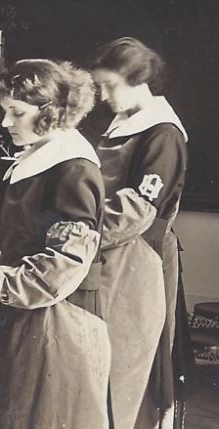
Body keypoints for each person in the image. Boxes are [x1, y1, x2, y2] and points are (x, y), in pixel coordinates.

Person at [0, 59, 111, 428]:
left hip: (60, 319)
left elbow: (64, 265)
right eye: (5, 112)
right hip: (33, 310)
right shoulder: (41, 156)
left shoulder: (74, 169)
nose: (6, 123)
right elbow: (8, 232)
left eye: (16, 113)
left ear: (50, 112)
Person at [91, 37, 189, 429]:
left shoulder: (162, 134)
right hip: (113, 253)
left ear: (138, 79)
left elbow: (136, 212)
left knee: (133, 365)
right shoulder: (124, 122)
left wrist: (78, 234)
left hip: (139, 257)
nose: (102, 95)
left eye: (109, 86)